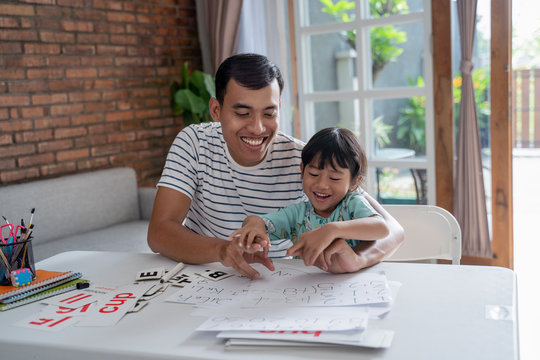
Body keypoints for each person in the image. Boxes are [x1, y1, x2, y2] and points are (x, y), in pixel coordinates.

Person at [148, 53, 404, 279]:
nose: (258, 128)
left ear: (280, 109)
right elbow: (160, 232)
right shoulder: (194, 142)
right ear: (216, 109)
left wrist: (356, 259)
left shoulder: (306, 162)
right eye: (242, 113)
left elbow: (393, 230)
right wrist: (223, 250)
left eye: (269, 114)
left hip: (277, 281)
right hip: (203, 276)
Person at [230, 127, 390, 272]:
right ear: (302, 170)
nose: (322, 185)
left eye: (334, 178)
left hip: (353, 286)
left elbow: (381, 228)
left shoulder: (352, 204)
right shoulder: (297, 214)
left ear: (354, 182)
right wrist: (253, 225)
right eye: (313, 174)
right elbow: (261, 223)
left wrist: (332, 230)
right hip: (308, 288)